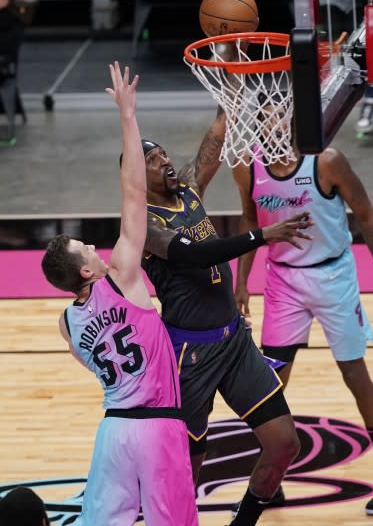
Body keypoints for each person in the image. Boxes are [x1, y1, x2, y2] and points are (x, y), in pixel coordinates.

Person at [140, 91, 317, 524]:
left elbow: (215, 141)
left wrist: (231, 97)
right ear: (132, 176)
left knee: (284, 444)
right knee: (187, 471)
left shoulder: (189, 189)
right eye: (153, 159)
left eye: (164, 154)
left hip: (234, 341)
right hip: (189, 356)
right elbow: (198, 255)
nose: (165, 161)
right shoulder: (142, 224)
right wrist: (262, 235)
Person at [41, 63, 199, 526]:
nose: (93, 245)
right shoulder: (123, 277)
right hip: (158, 426)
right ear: (88, 269)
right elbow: (134, 193)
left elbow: (94, 353)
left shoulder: (66, 322)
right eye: (85, 247)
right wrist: (128, 116)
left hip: (113, 432)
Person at [233, 117, 373, 514]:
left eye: (279, 119)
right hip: (283, 281)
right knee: (270, 382)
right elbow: (249, 220)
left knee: (353, 372)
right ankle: (270, 480)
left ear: (294, 123)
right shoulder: (247, 166)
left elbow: (365, 212)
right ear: (257, 126)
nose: (272, 126)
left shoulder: (327, 161)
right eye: (263, 120)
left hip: (333, 274)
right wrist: (240, 281)